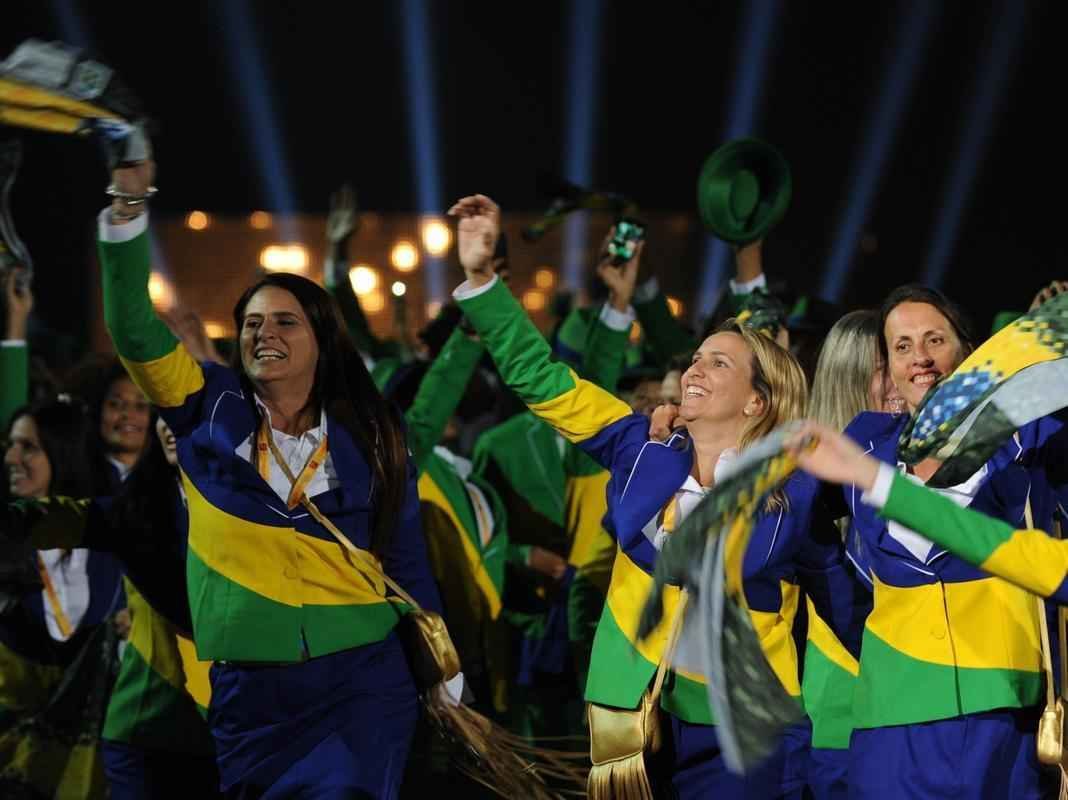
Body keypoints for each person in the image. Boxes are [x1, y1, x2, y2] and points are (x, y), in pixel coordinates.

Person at [448, 194, 844, 798]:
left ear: (756, 401)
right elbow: (543, 379)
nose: (695, 370)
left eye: (718, 364)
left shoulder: (797, 487)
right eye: (696, 358)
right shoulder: (639, 446)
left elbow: (845, 606)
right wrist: (481, 281)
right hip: (633, 717)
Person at [97, 158, 442, 798]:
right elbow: (134, 331)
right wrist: (127, 212)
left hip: (363, 677)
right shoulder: (204, 405)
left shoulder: (371, 430)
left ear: (322, 340)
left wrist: (441, 665)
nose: (264, 333)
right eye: (252, 323)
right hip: (250, 693)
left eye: (286, 321)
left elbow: (404, 553)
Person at [833, 284, 1065, 799]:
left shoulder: (1031, 438)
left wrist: (1040, 345)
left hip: (1004, 713)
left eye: (935, 340)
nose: (920, 357)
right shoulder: (863, 449)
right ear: (889, 369)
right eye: (903, 346)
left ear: (968, 350)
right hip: (891, 719)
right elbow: (796, 534)